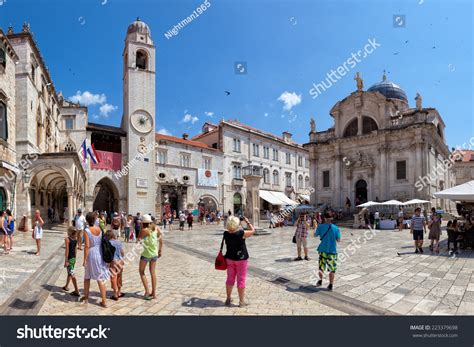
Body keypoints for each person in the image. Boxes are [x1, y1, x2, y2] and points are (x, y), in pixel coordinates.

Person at [223, 216, 255, 307]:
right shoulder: (241, 233)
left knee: (230, 279)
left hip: (229, 259)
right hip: (241, 259)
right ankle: (241, 302)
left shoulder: (225, 234)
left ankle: (228, 299)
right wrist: (248, 222)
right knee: (241, 280)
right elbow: (253, 231)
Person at [81, 212, 109, 307]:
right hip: (99, 253)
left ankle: (86, 298)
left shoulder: (87, 230)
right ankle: (104, 301)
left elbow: (87, 246)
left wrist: (84, 259)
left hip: (91, 254)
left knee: (87, 277)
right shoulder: (100, 229)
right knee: (100, 278)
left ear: (87, 220)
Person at [314, 212, 341, 291]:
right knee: (332, 269)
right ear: (332, 218)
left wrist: (315, 226)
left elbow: (315, 235)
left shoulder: (320, 226)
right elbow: (338, 240)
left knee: (321, 267)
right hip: (332, 251)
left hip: (323, 250)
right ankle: (330, 285)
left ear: (324, 218)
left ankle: (320, 281)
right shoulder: (336, 228)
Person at [139, 215, 163, 300]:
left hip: (146, 254)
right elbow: (161, 240)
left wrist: (141, 227)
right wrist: (160, 250)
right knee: (153, 272)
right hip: (154, 254)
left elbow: (139, 239)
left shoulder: (144, 231)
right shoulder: (156, 229)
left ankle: (147, 292)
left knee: (141, 272)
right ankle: (154, 294)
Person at [107, 229, 125, 300]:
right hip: (120, 261)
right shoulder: (118, 242)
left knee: (113, 278)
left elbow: (108, 254)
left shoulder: (108, 243)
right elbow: (122, 252)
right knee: (119, 277)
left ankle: (115, 294)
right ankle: (119, 292)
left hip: (113, 262)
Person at [62, 226, 80, 297]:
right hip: (73, 259)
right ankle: (66, 286)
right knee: (69, 273)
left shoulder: (67, 239)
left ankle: (77, 291)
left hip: (69, 259)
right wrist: (75, 258)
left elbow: (67, 251)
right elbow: (75, 250)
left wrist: (66, 261)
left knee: (72, 275)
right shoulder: (75, 240)